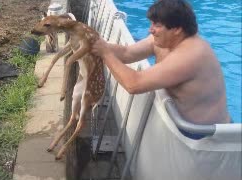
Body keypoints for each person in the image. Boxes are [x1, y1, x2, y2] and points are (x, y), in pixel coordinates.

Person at [91, 0, 230, 130]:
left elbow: (134, 84)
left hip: (206, 139)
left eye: (157, 25)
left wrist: (105, 53)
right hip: (187, 131)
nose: (150, 30)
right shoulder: (164, 40)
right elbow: (127, 53)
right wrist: (95, 44)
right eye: (152, 24)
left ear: (177, 29)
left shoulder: (190, 55)